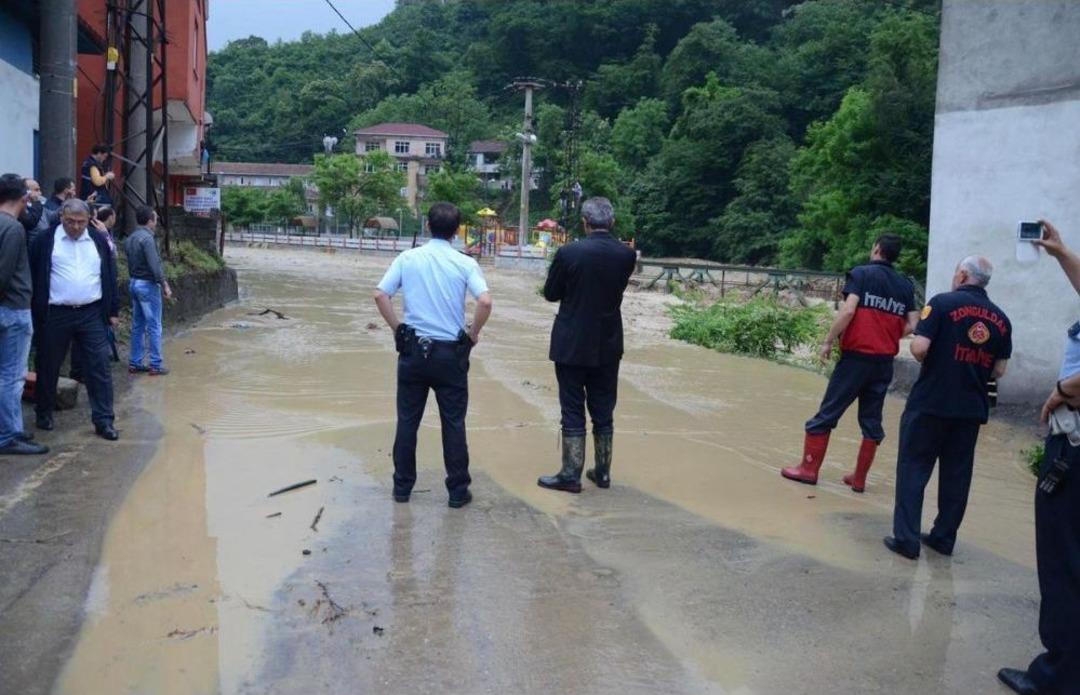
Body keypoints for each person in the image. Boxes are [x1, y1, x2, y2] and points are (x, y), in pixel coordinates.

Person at [998, 220, 1080, 695]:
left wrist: (1064, 390)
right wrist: (1061, 253)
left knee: (1063, 557)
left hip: (1075, 443)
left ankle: (1057, 676)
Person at [884, 256, 1011, 560]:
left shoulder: (941, 303)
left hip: (931, 402)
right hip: (970, 409)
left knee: (913, 468)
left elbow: (920, 348)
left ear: (963, 275)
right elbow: (999, 370)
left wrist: (930, 351)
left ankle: (907, 540)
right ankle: (943, 538)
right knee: (957, 475)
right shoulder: (1002, 319)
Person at [374, 202, 493, 508]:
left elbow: (380, 294)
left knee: (407, 421)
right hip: (450, 354)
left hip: (414, 350)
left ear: (427, 226)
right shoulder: (464, 263)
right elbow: (485, 302)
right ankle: (457, 492)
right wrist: (473, 333)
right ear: (457, 231)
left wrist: (397, 328)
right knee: (453, 423)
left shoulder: (408, 258)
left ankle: (402, 488)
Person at [781, 235, 918, 492]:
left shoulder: (861, 274)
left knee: (827, 413)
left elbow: (848, 310)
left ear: (877, 249)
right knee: (871, 421)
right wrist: (887, 335)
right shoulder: (905, 285)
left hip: (856, 359)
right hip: (884, 363)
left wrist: (827, 341)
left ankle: (808, 470)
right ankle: (859, 479)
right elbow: (913, 323)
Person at [537, 197, 637, 493]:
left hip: (571, 342)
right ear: (612, 222)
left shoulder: (569, 253)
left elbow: (551, 293)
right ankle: (603, 473)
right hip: (608, 341)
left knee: (572, 407)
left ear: (584, 222)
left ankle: (571, 474)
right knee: (604, 408)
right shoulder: (626, 255)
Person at [28, 198, 120, 441]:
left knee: (99, 367)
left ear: (89, 219)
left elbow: (109, 275)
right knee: (48, 364)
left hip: (91, 313)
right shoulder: (45, 241)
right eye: (70, 221)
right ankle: (44, 412)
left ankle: (104, 420)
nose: (76, 227)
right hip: (55, 313)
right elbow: (33, 276)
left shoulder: (98, 240)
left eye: (81, 222)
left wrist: (113, 310)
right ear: (61, 217)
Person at [0, 174, 48, 456]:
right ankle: (8, 435)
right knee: (12, 375)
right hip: (13, 309)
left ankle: (11, 427)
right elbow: (4, 273)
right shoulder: (13, 228)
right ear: (24, 198)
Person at [123, 205, 171, 375]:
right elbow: (154, 265)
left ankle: (135, 362)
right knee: (154, 325)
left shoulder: (130, 238)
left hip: (134, 283)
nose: (156, 223)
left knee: (138, 325)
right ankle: (155, 364)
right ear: (150, 220)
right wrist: (164, 284)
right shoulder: (148, 239)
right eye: (155, 219)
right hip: (147, 285)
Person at [18, 178, 57, 245]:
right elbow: (30, 222)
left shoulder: (40, 206)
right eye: (36, 190)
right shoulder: (22, 208)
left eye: (39, 190)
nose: (40, 193)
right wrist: (36, 201)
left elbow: (54, 215)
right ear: (27, 192)